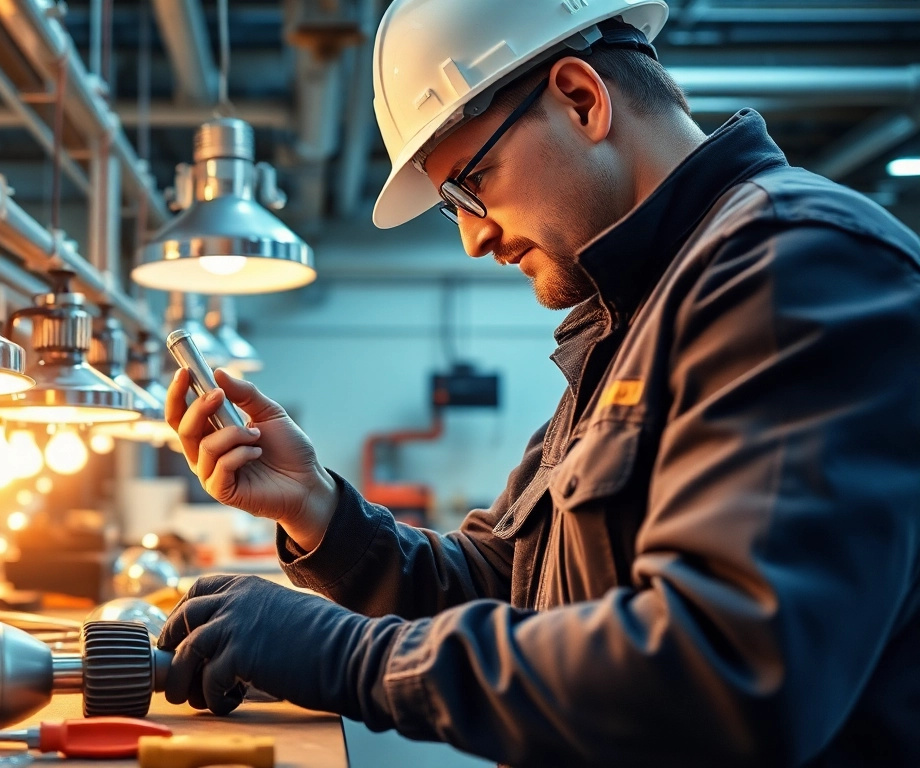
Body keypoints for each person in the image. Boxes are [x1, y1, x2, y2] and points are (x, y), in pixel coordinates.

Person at [158, 0, 920, 765]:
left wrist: (346, 655)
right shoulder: (632, 317)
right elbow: (510, 586)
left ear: (582, 99)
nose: (473, 234)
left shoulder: (791, 270)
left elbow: (725, 674)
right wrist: (319, 510)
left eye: (471, 182)